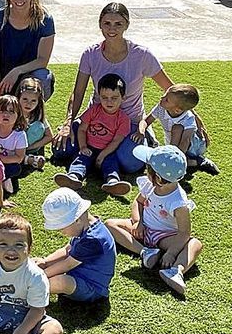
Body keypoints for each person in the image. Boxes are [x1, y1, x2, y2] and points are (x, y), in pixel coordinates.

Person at [51, 2, 209, 174]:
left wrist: (193, 116)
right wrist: (68, 123)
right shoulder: (90, 54)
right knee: (60, 149)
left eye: (118, 24)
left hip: (130, 123)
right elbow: (78, 92)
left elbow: (170, 88)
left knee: (131, 164)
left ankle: (142, 140)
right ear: (100, 24)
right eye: (107, 23)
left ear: (127, 25)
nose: (112, 29)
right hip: (97, 118)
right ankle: (101, 155)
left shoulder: (142, 55)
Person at [105, 145, 202, 295]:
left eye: (147, 168)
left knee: (195, 244)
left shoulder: (178, 202)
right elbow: (138, 202)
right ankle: (145, 252)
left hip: (164, 236)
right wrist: (138, 222)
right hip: (143, 228)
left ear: (157, 177)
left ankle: (176, 271)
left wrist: (171, 253)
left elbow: (184, 233)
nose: (145, 171)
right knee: (110, 224)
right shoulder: (149, 185)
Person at [53, 74, 133, 196]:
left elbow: (116, 141)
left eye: (114, 98)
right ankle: (73, 177)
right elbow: (82, 129)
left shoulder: (123, 119)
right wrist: (83, 147)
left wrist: (102, 156)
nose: (109, 102)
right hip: (89, 147)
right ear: (98, 96)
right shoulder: (94, 110)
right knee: (81, 159)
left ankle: (113, 183)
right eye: (104, 97)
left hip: (107, 151)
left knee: (111, 164)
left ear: (123, 97)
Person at [34, 188, 116, 302]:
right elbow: (67, 249)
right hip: (78, 276)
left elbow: (67, 265)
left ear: (77, 220)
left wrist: (39, 276)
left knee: (61, 282)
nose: (62, 232)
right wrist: (45, 262)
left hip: (91, 287)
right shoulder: (86, 228)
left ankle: (30, 290)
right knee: (44, 266)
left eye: (62, 228)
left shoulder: (92, 240)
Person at [139, 84, 219, 175]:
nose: (162, 97)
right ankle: (187, 161)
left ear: (177, 110)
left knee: (177, 128)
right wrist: (141, 131)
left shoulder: (188, 119)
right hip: (174, 144)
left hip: (193, 147)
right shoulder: (161, 108)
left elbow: (185, 141)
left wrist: (173, 158)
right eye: (165, 94)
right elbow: (146, 121)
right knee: (170, 156)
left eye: (167, 99)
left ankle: (197, 161)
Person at [0, 95, 28, 194]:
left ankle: (3, 178)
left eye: (11, 111)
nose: (6, 114)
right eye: (2, 111)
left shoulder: (19, 135)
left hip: (7, 163)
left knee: (15, 168)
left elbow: (19, 158)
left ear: (18, 115)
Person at [16, 78, 52, 170]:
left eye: (33, 101)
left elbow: (49, 136)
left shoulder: (38, 115)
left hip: (29, 146)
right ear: (18, 97)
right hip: (12, 145)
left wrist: (30, 147)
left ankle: (25, 156)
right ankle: (28, 159)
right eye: (25, 99)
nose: (28, 104)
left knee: (38, 127)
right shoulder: (12, 112)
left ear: (38, 101)